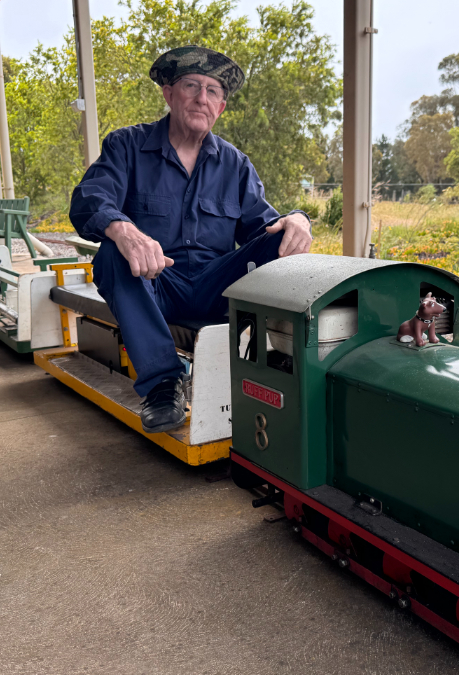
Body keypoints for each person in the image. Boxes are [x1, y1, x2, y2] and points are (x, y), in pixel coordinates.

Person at [69, 45, 312, 433]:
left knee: (281, 241)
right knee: (112, 253)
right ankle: (164, 384)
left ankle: (289, 361)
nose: (202, 98)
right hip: (155, 284)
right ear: (168, 93)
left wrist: (298, 219)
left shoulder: (236, 165)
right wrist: (124, 230)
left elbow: (262, 227)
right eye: (191, 86)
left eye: (213, 91)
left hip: (218, 288)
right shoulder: (127, 146)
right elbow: (89, 200)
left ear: (221, 108)